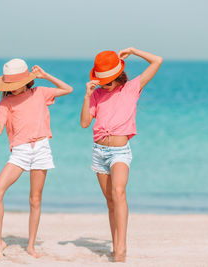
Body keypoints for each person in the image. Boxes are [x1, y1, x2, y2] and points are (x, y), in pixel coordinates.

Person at [80, 47, 162, 262]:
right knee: (109, 201)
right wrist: (88, 95)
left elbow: (157, 61)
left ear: (118, 77)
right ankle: (115, 244)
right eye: (101, 81)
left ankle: (121, 249)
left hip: (120, 152)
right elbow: (84, 123)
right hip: (99, 151)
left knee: (119, 192)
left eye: (107, 81)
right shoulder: (97, 94)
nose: (104, 84)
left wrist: (134, 51)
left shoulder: (132, 88)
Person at [0, 58, 73, 258]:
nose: (14, 89)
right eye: (10, 85)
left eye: (16, 85)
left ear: (27, 81)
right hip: (21, 151)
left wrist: (45, 76)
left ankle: (31, 246)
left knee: (35, 200)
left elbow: (68, 89)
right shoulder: (5, 102)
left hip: (42, 148)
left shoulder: (40, 92)